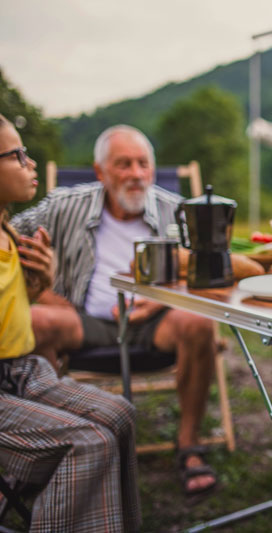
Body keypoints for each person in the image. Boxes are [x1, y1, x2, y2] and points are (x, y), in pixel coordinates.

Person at [11, 124, 219, 496]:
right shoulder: (65, 205)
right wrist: (43, 291)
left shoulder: (176, 211)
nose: (136, 174)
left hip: (155, 321)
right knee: (36, 320)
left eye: (143, 163)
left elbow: (208, 269)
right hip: (82, 319)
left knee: (199, 322)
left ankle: (189, 442)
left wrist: (164, 297)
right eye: (124, 164)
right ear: (100, 171)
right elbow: (9, 231)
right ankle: (53, 444)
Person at [0, 113, 141, 532]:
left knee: (120, 415)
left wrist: (39, 282)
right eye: (16, 155)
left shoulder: (8, 231)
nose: (29, 163)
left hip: (18, 370)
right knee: (87, 443)